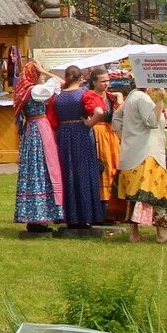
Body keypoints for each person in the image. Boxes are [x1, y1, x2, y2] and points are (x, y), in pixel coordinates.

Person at [46, 66, 107, 231]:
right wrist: (89, 123)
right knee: (84, 171)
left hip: (64, 135)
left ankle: (69, 216)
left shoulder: (56, 99)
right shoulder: (85, 94)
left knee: (67, 173)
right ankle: (86, 215)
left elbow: (52, 123)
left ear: (66, 78)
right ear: (81, 78)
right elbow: (100, 111)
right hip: (81, 133)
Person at [116, 86, 167, 244]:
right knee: (157, 193)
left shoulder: (131, 97)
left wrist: (126, 138)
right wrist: (160, 101)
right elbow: (151, 122)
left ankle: (134, 232)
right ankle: (162, 233)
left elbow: (116, 119)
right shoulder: (143, 98)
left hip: (133, 153)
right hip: (148, 154)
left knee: (134, 194)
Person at [13, 62, 64, 233]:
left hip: (33, 129)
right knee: (42, 167)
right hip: (38, 130)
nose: (41, 76)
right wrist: (46, 72)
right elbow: (60, 83)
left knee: (36, 168)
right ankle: (38, 217)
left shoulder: (25, 89)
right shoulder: (34, 90)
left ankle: (36, 217)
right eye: (38, 73)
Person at [90, 69, 127, 223]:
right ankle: (101, 206)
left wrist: (119, 99)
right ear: (94, 82)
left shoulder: (110, 98)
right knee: (102, 168)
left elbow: (121, 115)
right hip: (97, 132)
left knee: (114, 167)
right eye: (103, 81)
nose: (106, 84)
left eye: (107, 81)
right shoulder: (89, 96)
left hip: (111, 134)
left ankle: (114, 208)